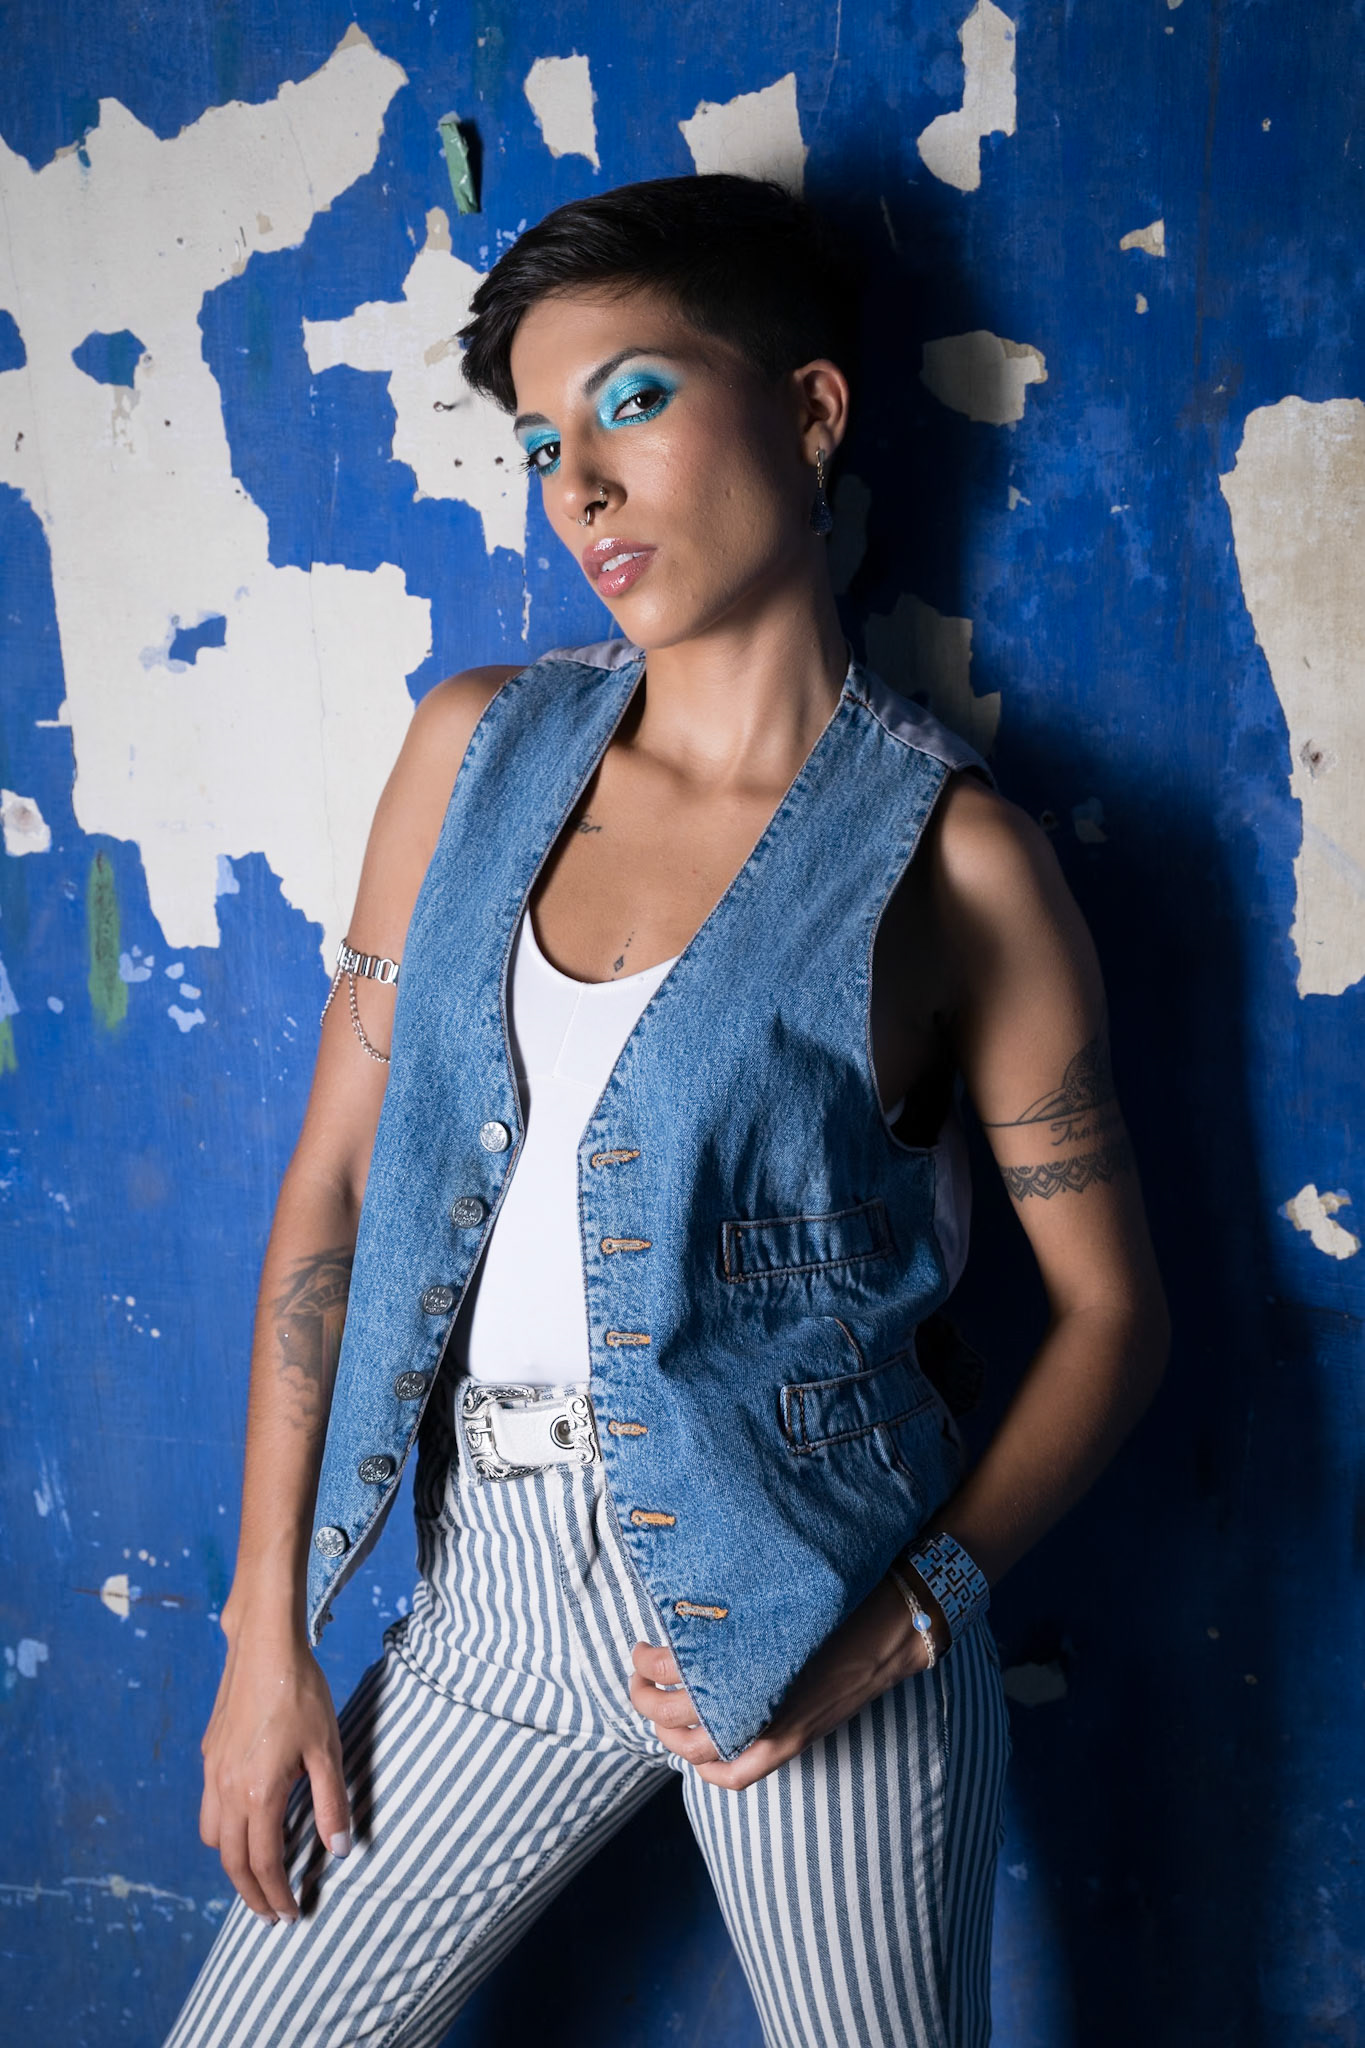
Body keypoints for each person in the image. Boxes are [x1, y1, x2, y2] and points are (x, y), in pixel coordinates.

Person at [166, 174, 1168, 2048]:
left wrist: (903, 1623)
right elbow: (335, 1186)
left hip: (820, 1599)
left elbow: (1114, 1315)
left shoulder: (959, 864)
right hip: (493, 1597)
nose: (580, 487)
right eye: (541, 443)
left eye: (631, 400)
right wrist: (264, 1632)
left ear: (810, 410)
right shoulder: (472, 748)